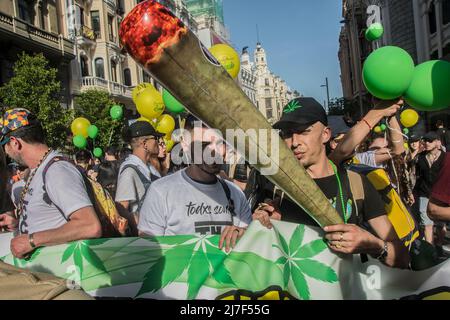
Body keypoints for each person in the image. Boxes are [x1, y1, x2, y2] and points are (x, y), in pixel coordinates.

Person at [252, 98, 409, 268]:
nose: (294, 142)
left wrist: (373, 244)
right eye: (287, 134)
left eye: (304, 131)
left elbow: (402, 258)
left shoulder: (356, 184)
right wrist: (256, 228)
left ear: (325, 134)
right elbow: (259, 253)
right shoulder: (276, 188)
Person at [0, 108, 101, 259]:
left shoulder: (57, 170)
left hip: (65, 276)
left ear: (15, 143)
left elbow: (89, 226)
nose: (6, 153)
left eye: (4, 146)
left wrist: (32, 240)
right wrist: (17, 223)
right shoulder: (39, 170)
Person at [138, 123, 252, 252]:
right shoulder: (161, 191)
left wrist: (245, 232)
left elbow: (252, 245)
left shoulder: (235, 193)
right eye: (205, 144)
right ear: (186, 145)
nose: (214, 151)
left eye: (220, 143)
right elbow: (148, 249)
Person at [115, 121, 164, 236]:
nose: (159, 142)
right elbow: (121, 207)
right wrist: (139, 224)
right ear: (144, 143)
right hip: (146, 239)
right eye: (156, 138)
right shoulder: (130, 171)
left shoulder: (149, 167)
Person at [414, 132, 447, 245]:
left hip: (440, 195)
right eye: (426, 141)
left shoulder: (445, 157)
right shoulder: (421, 157)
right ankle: (430, 249)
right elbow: (416, 175)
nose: (427, 143)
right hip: (424, 193)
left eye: (430, 141)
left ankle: (439, 245)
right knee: (427, 223)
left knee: (440, 225)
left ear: (437, 142)